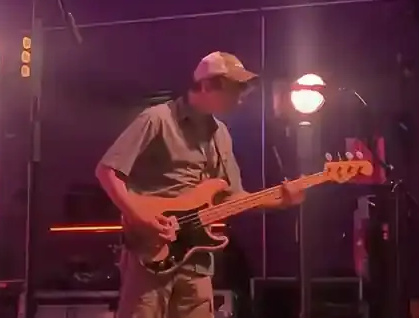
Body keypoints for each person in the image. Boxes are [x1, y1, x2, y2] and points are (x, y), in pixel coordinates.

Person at [96, 52, 305, 318]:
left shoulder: (221, 135)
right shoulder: (156, 119)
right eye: (234, 88)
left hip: (196, 261)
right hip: (150, 254)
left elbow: (231, 198)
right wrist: (139, 217)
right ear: (206, 85)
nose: (241, 97)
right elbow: (107, 171)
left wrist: (282, 200)